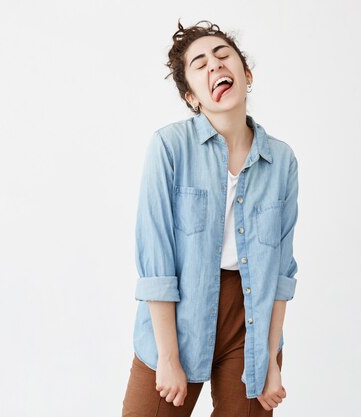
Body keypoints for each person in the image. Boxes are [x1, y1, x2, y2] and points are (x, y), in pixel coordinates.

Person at [122, 19, 300, 417]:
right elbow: (156, 260)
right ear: (191, 97)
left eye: (222, 56)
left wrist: (270, 358)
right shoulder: (169, 147)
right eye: (200, 64)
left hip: (249, 324)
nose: (214, 66)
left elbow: (281, 275)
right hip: (178, 317)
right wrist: (168, 356)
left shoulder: (282, 161)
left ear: (246, 73)